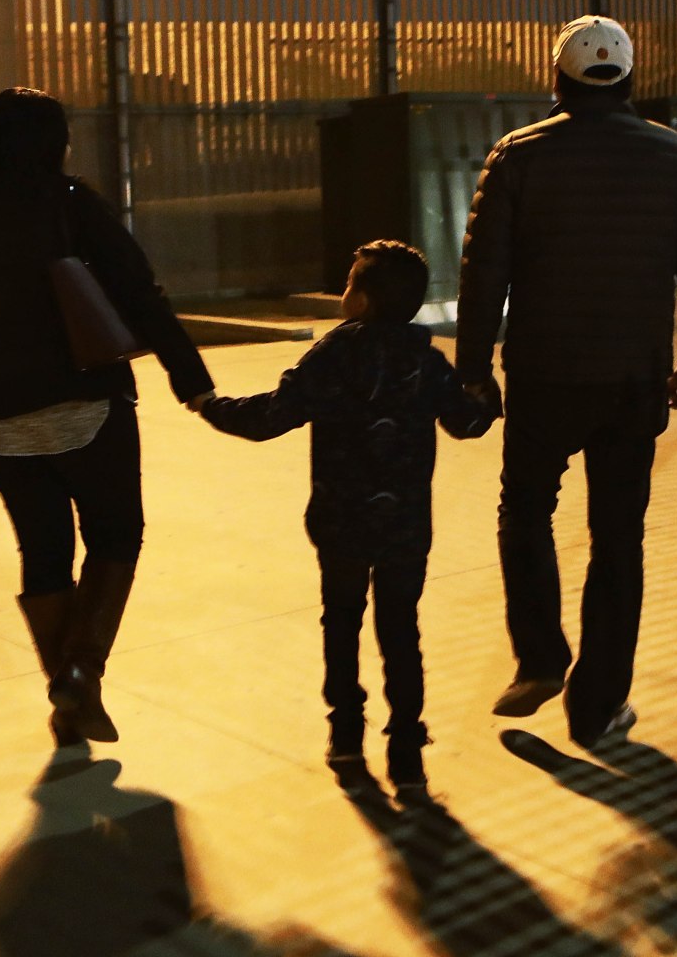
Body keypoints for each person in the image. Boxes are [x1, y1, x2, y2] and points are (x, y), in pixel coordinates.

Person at [453, 15, 677, 749]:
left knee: (526, 510)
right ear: (630, 81)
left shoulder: (518, 157)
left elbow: (484, 281)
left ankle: (541, 658)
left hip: (545, 377)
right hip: (633, 382)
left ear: (557, 79)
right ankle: (598, 707)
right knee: (617, 539)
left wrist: (473, 374)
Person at [0, 88, 214, 750]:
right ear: (58, 141)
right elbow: (140, 294)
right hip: (82, 403)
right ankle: (81, 669)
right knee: (117, 535)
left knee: (45, 552)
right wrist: (191, 379)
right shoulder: (71, 205)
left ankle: (69, 698)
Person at [193, 242, 494, 788]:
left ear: (365, 300)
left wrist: (212, 406)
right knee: (401, 626)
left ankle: (346, 734)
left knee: (342, 618)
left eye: (351, 283)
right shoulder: (426, 362)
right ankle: (406, 745)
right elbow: (468, 424)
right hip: (405, 525)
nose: (344, 292)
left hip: (341, 521)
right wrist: (483, 395)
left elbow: (270, 417)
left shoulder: (334, 355)